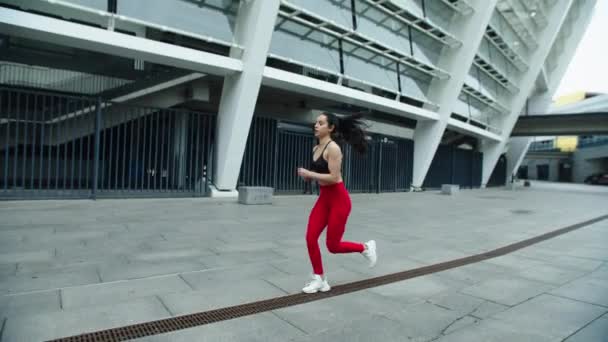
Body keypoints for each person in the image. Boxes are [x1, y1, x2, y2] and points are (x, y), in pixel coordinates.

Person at [297, 112, 377, 294]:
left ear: (331, 128)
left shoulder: (333, 149)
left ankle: (365, 247)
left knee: (333, 246)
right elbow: (320, 173)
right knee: (310, 238)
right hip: (324, 199)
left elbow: (334, 177)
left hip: (339, 200)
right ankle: (320, 279)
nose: (316, 125)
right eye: (316, 122)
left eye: (321, 123)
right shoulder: (316, 148)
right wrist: (309, 178)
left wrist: (310, 174)